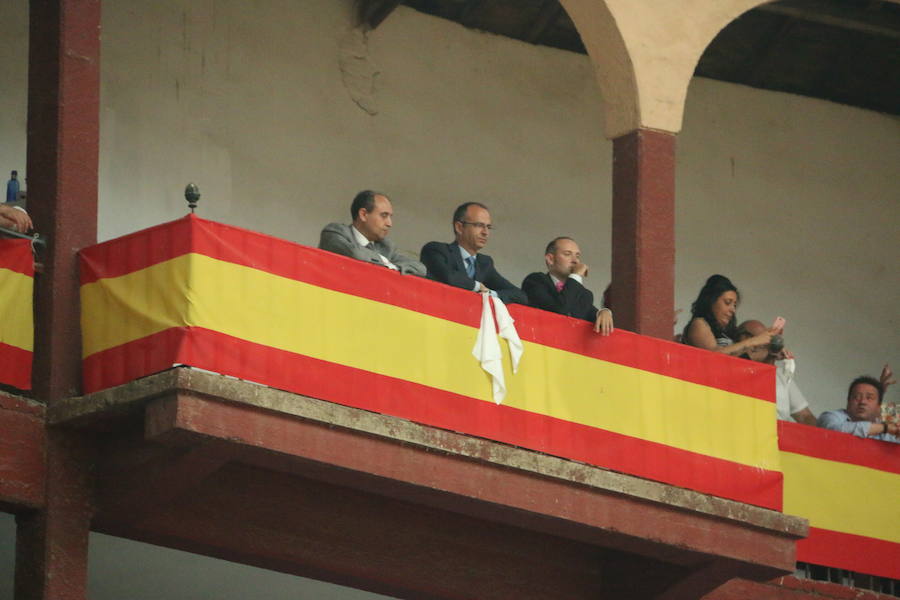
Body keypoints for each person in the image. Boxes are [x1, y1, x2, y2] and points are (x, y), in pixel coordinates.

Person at [420, 202, 527, 305]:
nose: (485, 233)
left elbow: (520, 295)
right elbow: (449, 276)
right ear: (459, 227)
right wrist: (477, 286)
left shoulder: (484, 263)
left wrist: (490, 294)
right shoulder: (436, 250)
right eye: (479, 225)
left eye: (488, 227)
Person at [319, 190, 425, 276]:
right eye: (384, 215)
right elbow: (356, 254)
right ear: (363, 214)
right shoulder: (335, 232)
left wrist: (392, 267)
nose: (389, 223)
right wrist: (386, 262)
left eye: (390, 217)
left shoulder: (386, 246)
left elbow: (420, 268)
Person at [521, 236, 613, 335]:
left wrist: (604, 311)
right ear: (550, 259)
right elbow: (560, 311)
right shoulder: (536, 281)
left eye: (577, 256)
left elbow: (592, 312)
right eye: (567, 254)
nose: (575, 261)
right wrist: (576, 275)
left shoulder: (584, 294)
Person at [736, 320, 816, 425]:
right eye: (762, 338)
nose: (766, 343)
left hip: (781, 437)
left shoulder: (780, 375)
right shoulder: (735, 370)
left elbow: (805, 417)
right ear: (745, 340)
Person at [682, 274, 777, 356]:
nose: (733, 310)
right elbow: (714, 356)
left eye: (735, 305)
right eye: (727, 302)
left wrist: (771, 349)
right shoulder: (699, 324)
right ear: (711, 301)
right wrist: (753, 341)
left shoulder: (728, 332)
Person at [817, 376, 898, 443]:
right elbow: (834, 431)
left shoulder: (888, 432)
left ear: (878, 406)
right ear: (848, 401)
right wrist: (884, 428)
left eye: (869, 398)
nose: (862, 402)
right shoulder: (830, 417)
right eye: (857, 397)